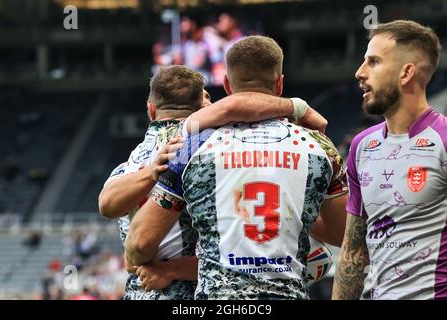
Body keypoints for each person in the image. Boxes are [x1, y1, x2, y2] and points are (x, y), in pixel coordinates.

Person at [125, 36, 348, 300]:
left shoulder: (192, 145)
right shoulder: (320, 147)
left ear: (228, 85)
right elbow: (342, 234)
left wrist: (164, 266)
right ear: (280, 83)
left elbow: (139, 244)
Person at [332, 20, 447, 300]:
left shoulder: (443, 140)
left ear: (406, 72)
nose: (359, 73)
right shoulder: (362, 146)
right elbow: (352, 253)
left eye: (373, 62)